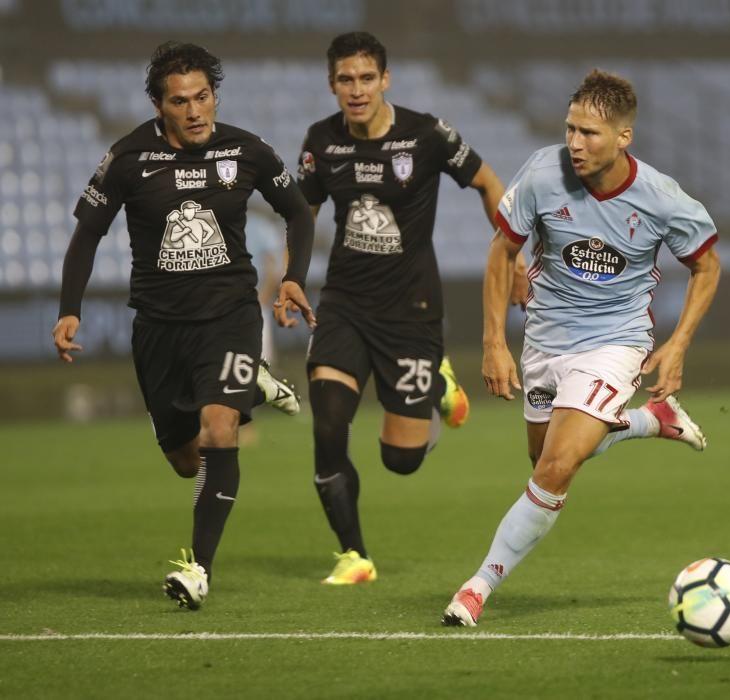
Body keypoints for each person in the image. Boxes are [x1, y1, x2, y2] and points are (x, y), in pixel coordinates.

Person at [442, 69, 722, 626]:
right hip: (544, 337)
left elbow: (707, 265)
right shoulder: (544, 173)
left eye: (590, 133)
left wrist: (679, 342)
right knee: (546, 456)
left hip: (615, 342)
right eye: (570, 129)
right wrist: (494, 341)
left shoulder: (662, 198)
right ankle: (651, 422)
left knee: (557, 467)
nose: (574, 143)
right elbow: (503, 253)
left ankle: (477, 587)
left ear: (624, 137)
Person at [51, 41, 316, 610]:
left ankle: (197, 568)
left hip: (228, 316)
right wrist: (69, 307)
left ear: (214, 96)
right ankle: (256, 383)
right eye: (180, 101)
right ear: (157, 105)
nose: (195, 110)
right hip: (158, 329)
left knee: (222, 429)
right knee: (185, 460)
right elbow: (87, 235)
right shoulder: (126, 159)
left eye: (203, 97)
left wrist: (294, 276)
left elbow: (298, 210)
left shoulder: (248, 151)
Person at [296, 31, 527, 585]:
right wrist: (290, 278)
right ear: (332, 85)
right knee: (328, 428)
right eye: (345, 80)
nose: (356, 90)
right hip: (344, 305)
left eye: (366, 78)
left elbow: (489, 182)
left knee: (400, 461)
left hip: (411, 310)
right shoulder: (321, 141)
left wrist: (513, 257)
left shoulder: (426, 134)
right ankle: (354, 554)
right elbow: (301, 214)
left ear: (385, 80)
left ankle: (437, 387)